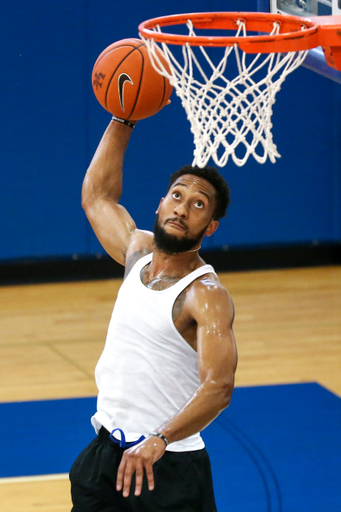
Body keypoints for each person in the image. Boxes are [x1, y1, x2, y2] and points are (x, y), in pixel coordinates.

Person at [69, 116, 238, 512]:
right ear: (161, 203)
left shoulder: (206, 295)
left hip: (169, 465)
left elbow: (219, 387)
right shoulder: (137, 252)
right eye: (177, 196)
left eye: (198, 205)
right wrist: (122, 119)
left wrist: (158, 439)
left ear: (210, 226)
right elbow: (97, 197)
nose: (183, 208)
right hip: (105, 455)